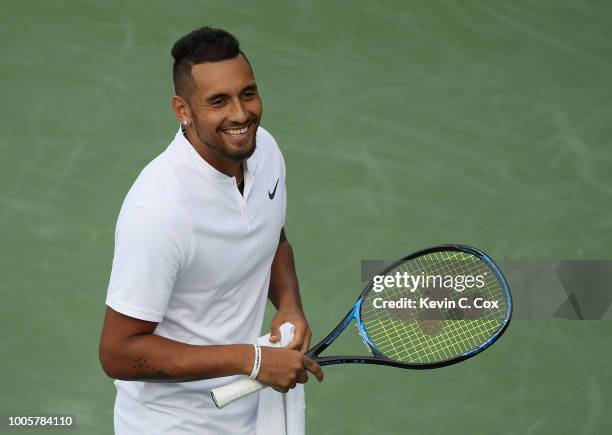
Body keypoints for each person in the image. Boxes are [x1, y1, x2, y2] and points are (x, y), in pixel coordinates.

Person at [98, 26, 323, 435]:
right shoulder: (160, 212)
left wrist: (289, 304)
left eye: (248, 94)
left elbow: (272, 236)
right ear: (182, 109)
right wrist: (251, 359)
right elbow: (118, 353)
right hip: (172, 424)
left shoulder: (265, 151)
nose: (240, 114)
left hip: (250, 407)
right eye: (218, 101)